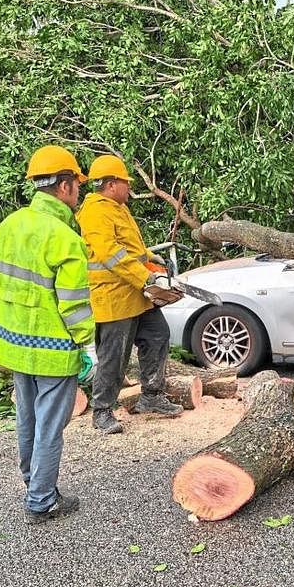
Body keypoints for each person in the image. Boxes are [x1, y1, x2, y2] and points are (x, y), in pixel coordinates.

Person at [0, 145, 97, 525]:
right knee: (50, 426)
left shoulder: (9, 226)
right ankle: (41, 500)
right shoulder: (65, 238)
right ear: (63, 186)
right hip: (53, 347)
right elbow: (74, 304)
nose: (78, 192)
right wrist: (86, 344)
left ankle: (34, 483)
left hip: (14, 344)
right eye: (76, 185)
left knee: (27, 419)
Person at [76, 154, 183, 434]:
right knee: (114, 355)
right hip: (114, 297)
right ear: (112, 184)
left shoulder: (117, 207)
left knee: (158, 335)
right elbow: (110, 254)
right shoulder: (95, 211)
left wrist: (152, 258)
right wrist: (146, 277)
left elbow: (131, 247)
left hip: (136, 294)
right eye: (125, 183)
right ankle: (101, 411)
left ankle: (151, 396)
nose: (129, 188)